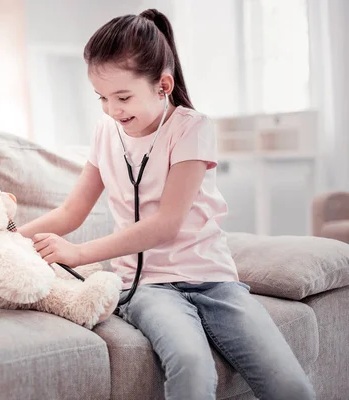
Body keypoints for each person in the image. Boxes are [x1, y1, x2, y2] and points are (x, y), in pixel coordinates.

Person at [18, 8, 315, 400]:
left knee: (290, 385)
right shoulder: (106, 133)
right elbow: (72, 212)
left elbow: (166, 224)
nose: (112, 110)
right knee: (192, 367)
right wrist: (7, 235)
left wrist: (78, 253)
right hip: (148, 287)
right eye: (102, 98)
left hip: (214, 281)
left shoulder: (192, 128)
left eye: (123, 96)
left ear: (163, 85)